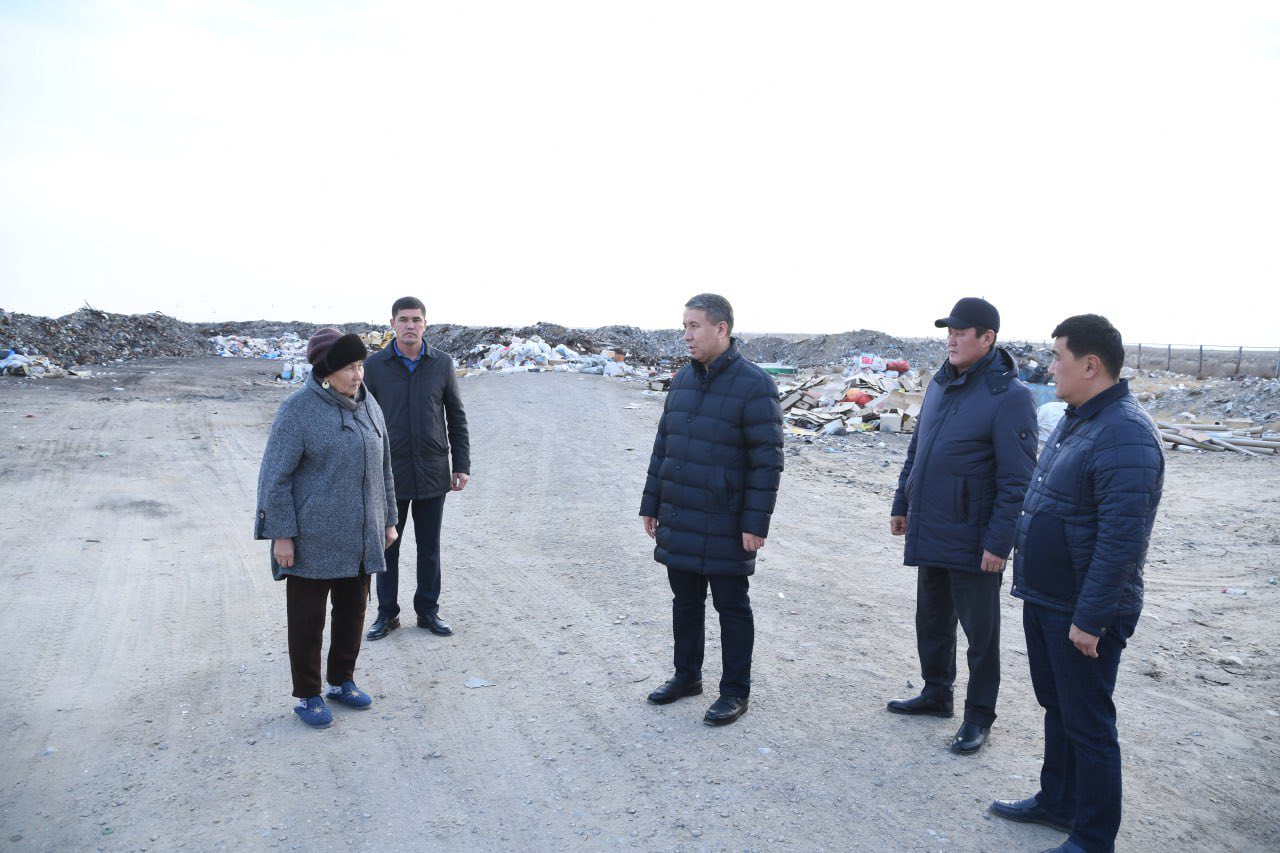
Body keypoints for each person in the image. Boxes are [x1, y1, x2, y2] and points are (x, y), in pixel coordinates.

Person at [991, 314, 1164, 853]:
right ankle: (1057, 801)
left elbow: (1121, 542)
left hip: (1082, 608)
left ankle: (1092, 837)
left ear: (1090, 365)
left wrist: (1091, 619)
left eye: (1057, 357)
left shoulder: (1125, 434)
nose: (1050, 368)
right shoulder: (1079, 419)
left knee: (1088, 723)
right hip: (1049, 597)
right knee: (1058, 707)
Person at [888, 297, 1037, 754]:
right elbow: (918, 449)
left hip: (974, 537)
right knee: (932, 619)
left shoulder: (1010, 396)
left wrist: (999, 543)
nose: (951, 340)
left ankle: (979, 717)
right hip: (932, 523)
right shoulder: (941, 383)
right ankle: (937, 693)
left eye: (960, 332)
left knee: (980, 635)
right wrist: (902, 501)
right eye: (948, 332)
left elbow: (1017, 480)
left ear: (987, 338)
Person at [640, 293, 784, 726]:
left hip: (726, 518)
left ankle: (735, 691)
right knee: (685, 602)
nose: (686, 335)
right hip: (681, 511)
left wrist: (755, 523)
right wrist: (651, 502)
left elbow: (767, 461)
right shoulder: (683, 379)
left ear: (721, 329)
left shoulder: (755, 384)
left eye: (694, 326)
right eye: (684, 326)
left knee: (731, 607)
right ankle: (687, 677)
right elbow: (663, 445)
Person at [255, 328, 398, 728]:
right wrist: (281, 535)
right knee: (308, 621)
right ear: (325, 372)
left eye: (360, 365)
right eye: (349, 367)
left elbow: (384, 467)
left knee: (353, 612)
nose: (358, 375)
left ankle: (341, 681)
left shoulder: (369, 404)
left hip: (360, 535)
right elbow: (274, 478)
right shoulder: (297, 410)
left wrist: (388, 519)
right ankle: (308, 694)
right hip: (311, 538)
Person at [363, 296, 471, 641]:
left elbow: (456, 416)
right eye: (403, 319)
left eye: (416, 319)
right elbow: (363, 419)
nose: (410, 325)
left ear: (425, 324)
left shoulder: (441, 364)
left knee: (429, 548)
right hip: (389, 474)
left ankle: (428, 611)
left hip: (432, 471)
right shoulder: (375, 366)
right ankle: (387, 614)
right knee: (387, 547)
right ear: (392, 324)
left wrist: (461, 464)